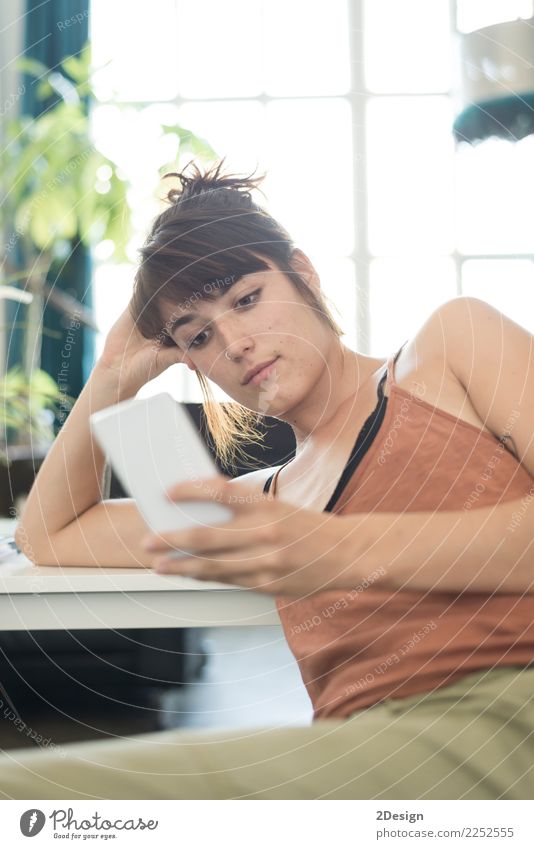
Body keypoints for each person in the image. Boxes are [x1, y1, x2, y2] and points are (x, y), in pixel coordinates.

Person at [3, 160, 534, 800]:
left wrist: (331, 548)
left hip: (505, 713)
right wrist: (113, 374)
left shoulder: (449, 347)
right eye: (198, 336)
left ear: (303, 274)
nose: (232, 343)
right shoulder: (265, 504)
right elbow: (52, 535)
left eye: (247, 299)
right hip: (358, 752)